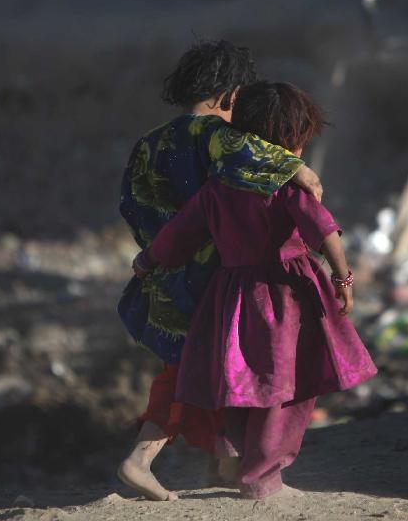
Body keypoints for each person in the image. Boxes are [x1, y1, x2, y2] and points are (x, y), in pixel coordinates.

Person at [134, 82, 377, 499]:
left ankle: (232, 452)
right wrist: (343, 279)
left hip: (231, 295)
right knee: (283, 391)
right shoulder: (285, 186)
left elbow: (180, 234)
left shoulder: (217, 187)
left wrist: (147, 261)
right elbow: (324, 232)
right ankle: (262, 479)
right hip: (285, 295)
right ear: (289, 143)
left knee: (244, 380)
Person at [117, 41, 324, 501]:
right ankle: (142, 458)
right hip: (214, 281)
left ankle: (226, 464)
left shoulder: (149, 142)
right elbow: (256, 159)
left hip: (165, 273)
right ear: (231, 95)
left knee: (195, 368)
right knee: (199, 372)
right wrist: (299, 170)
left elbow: (131, 205)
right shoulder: (220, 136)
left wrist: (156, 251)